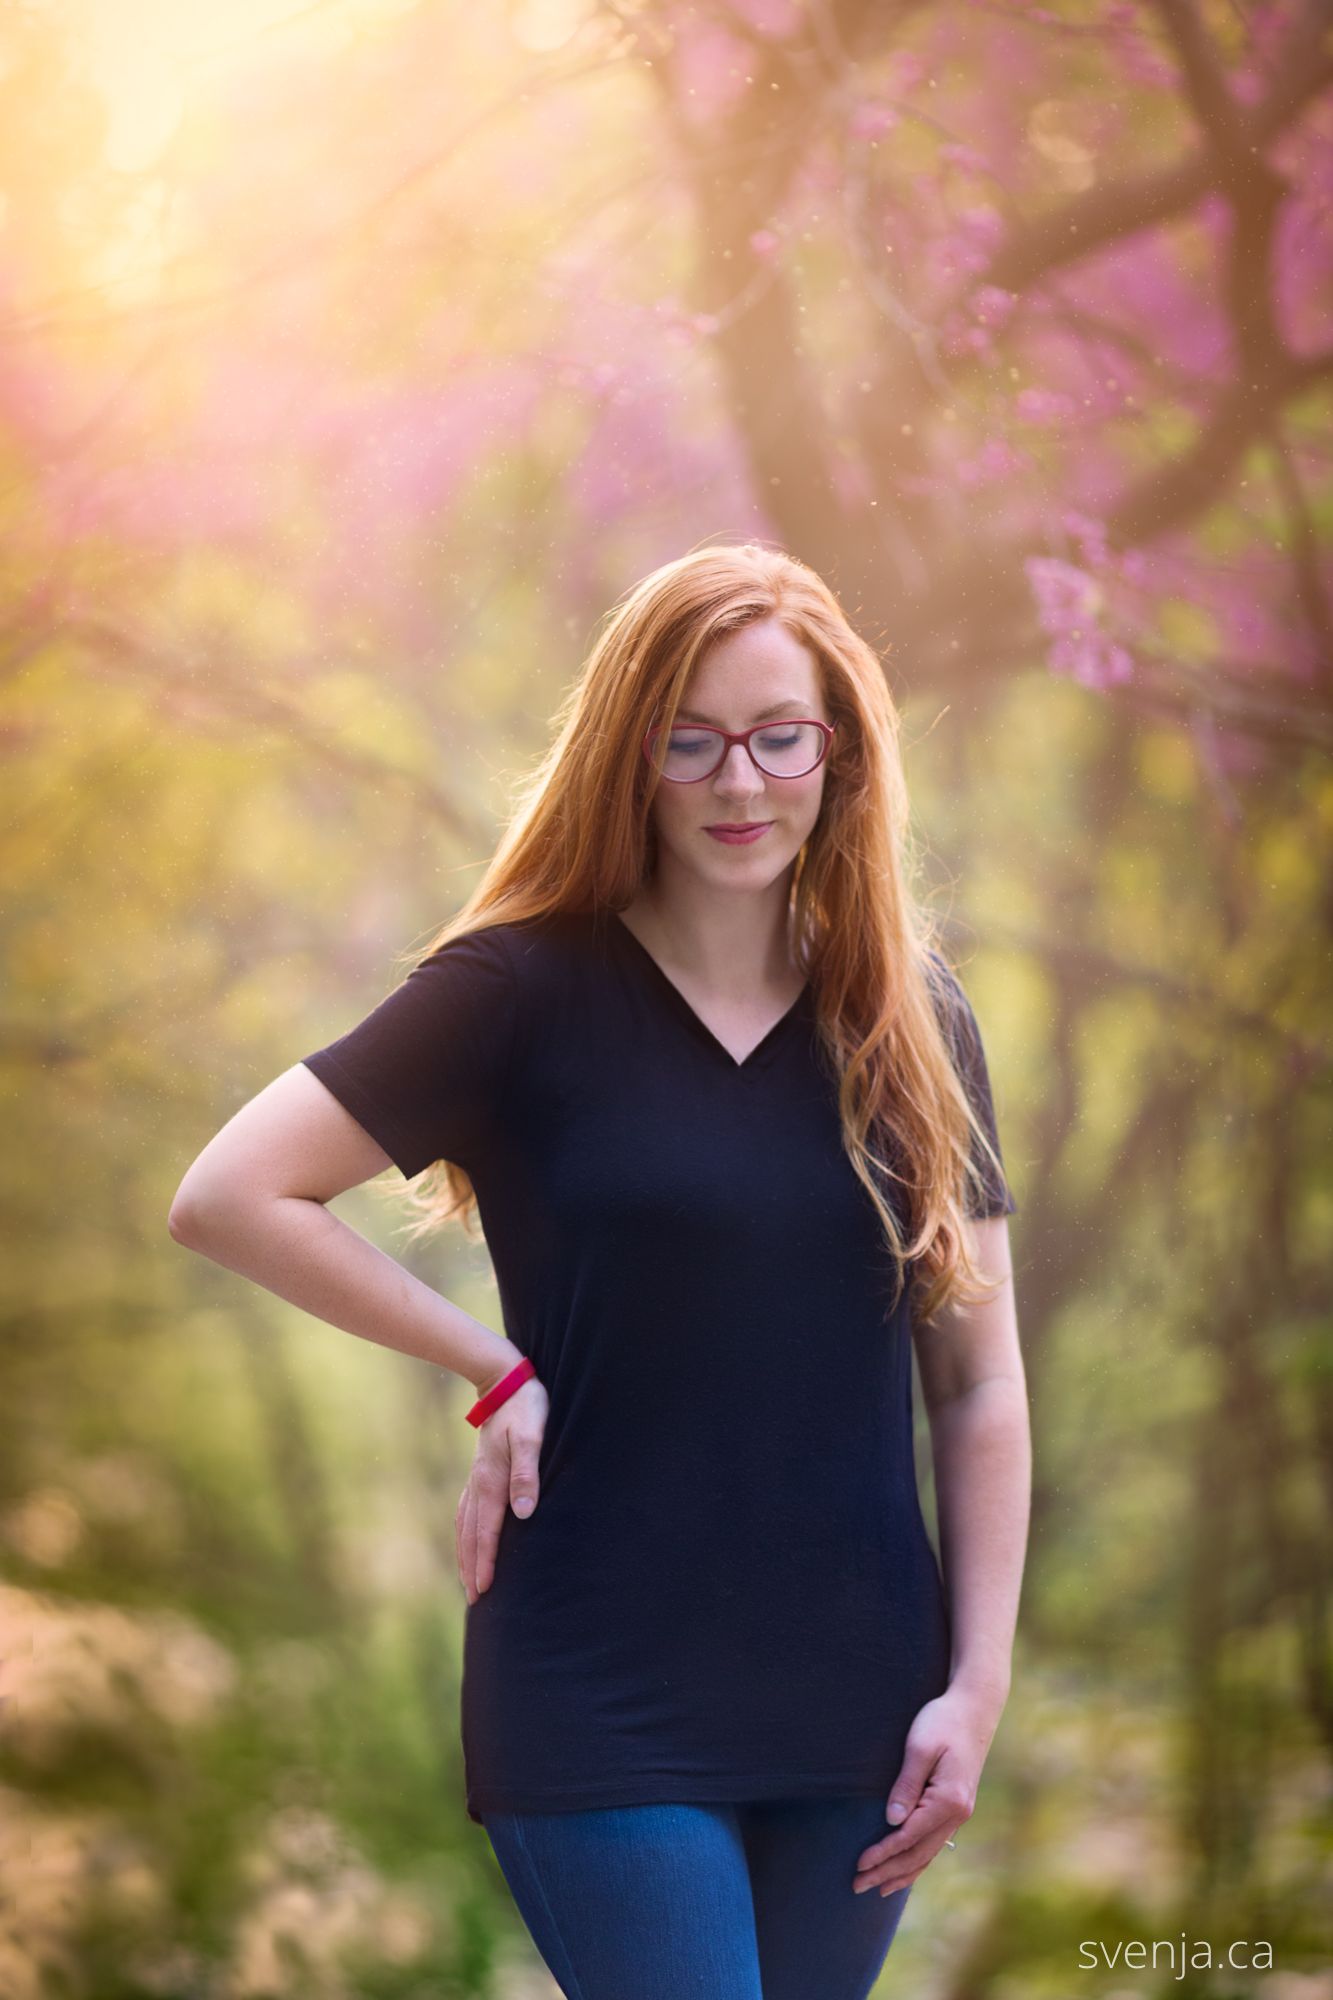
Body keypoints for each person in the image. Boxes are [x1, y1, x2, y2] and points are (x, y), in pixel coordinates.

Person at [168, 541, 1031, 2000]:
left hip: (856, 1701)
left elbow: (978, 1383)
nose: (736, 782)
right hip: (599, 1685)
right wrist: (484, 1365)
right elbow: (229, 1193)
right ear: (630, 751)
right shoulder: (517, 989)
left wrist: (976, 1684)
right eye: (687, 740)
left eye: (777, 737)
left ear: (838, 754)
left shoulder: (910, 1020)